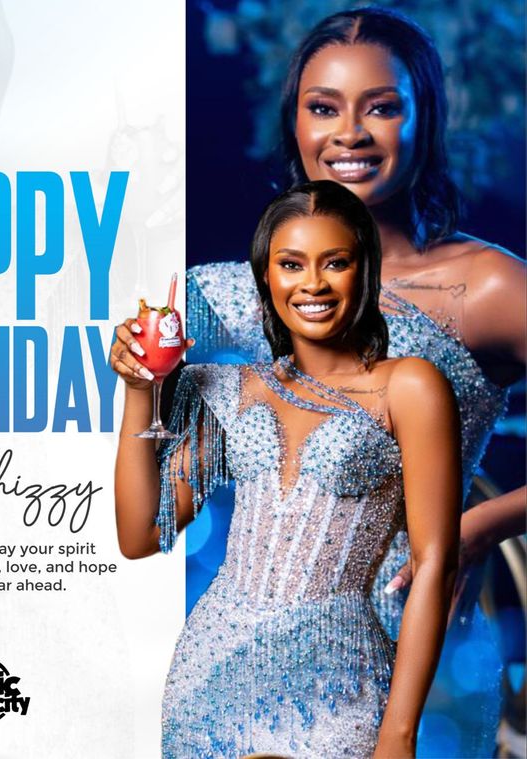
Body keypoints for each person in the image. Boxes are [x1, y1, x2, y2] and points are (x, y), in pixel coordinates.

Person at [186, 8, 525, 756]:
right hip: (234, 668)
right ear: (296, 125)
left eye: (382, 106)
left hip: (406, 672)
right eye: (323, 107)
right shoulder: (256, 290)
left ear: (424, 117)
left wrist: (478, 526)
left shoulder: (487, 287)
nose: (349, 133)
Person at [112, 180, 461, 758]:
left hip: (340, 687)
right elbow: (140, 534)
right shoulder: (231, 389)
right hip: (212, 675)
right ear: (267, 277)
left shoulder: (410, 386)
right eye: (291, 264)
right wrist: (137, 392)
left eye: (336, 262)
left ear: (364, 270)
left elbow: (435, 564)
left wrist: (398, 736)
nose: (313, 283)